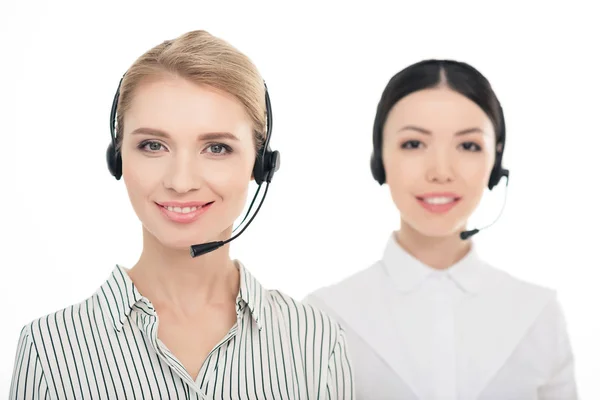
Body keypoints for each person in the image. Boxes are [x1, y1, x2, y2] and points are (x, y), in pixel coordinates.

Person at [10, 30, 354, 399]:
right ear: (118, 158)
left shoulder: (317, 341)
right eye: (153, 145)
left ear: (261, 165)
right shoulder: (49, 349)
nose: (181, 181)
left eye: (217, 148)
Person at [304, 59, 578, 399]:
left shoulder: (538, 313)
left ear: (495, 163)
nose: (441, 171)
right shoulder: (323, 316)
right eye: (414, 144)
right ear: (380, 159)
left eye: (468, 145)